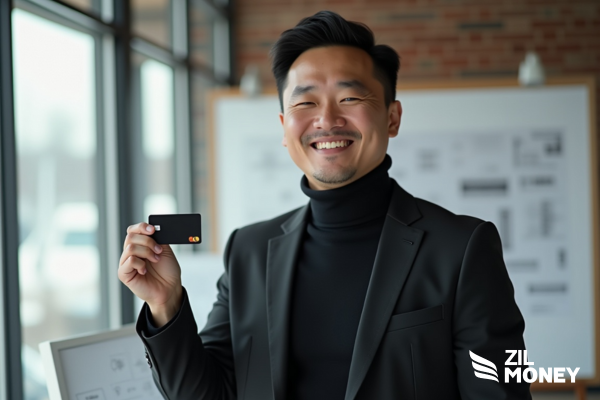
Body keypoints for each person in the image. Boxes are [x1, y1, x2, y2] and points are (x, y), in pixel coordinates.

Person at [118, 10, 531, 400]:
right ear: (284, 128)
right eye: (305, 102)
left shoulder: (461, 247)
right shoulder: (250, 250)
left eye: (350, 98)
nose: (327, 119)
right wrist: (165, 303)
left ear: (392, 118)